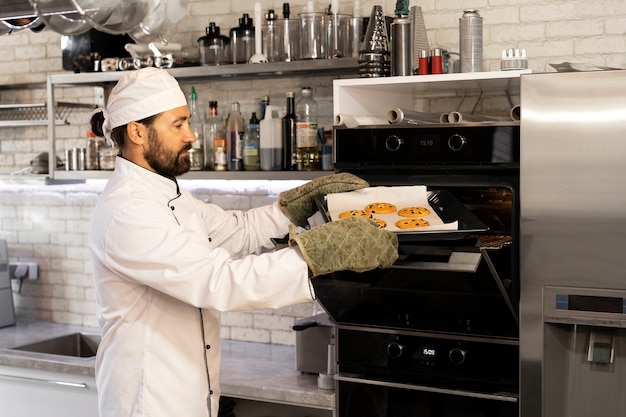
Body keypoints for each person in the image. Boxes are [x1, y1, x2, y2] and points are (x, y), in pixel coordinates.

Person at [88, 67, 398, 417]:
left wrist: (294, 206)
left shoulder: (166, 195)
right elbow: (220, 282)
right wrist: (318, 255)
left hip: (189, 397)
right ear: (137, 132)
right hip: (149, 403)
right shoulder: (128, 211)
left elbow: (238, 230)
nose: (191, 136)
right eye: (178, 125)